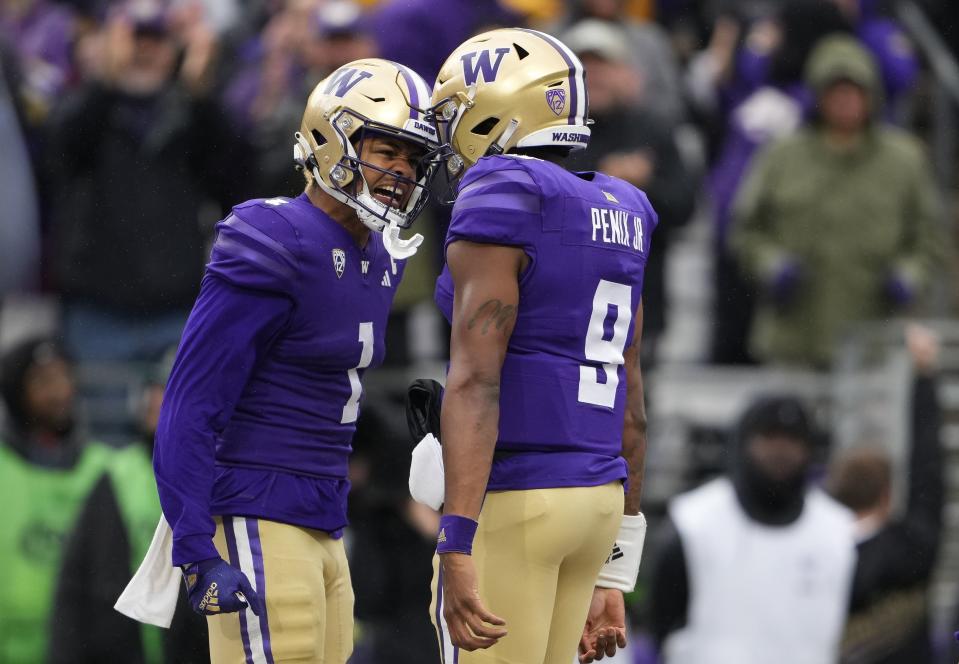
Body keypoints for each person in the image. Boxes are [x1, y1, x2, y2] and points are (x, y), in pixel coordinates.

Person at [152, 58, 440, 663]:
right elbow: (191, 400)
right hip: (258, 511)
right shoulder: (274, 237)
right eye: (387, 151)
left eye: (413, 161)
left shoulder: (383, 255)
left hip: (327, 519)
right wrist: (196, 548)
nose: (401, 174)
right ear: (331, 137)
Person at [427, 27, 656, 663]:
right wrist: (616, 566)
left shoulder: (504, 192)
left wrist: (455, 539)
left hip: (520, 494)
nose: (449, 135)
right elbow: (632, 401)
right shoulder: (624, 204)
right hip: (597, 499)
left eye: (457, 114)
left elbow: (477, 381)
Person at [730, 35, 942, 368]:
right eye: (834, 91)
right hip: (794, 338)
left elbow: (928, 238)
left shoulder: (904, 160)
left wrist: (908, 275)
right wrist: (771, 265)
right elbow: (745, 230)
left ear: (871, 96)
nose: (845, 101)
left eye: (854, 91)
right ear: (817, 97)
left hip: (875, 342)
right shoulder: (783, 155)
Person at [649, 395, 858, 664]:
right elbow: (662, 623)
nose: (780, 450)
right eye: (769, 436)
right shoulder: (694, 522)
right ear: (743, 442)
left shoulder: (839, 530)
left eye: (793, 439)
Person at [50, 352, 209, 664]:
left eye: (170, 387)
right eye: (155, 388)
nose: (156, 399)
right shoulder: (115, 476)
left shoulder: (220, 478)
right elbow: (75, 585)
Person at [828, 325, 944, 664]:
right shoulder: (913, 545)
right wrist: (925, 376)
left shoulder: (818, 553)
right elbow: (927, 465)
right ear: (887, 494)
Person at [0, 337, 113, 663]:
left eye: (65, 377)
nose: (60, 392)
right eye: (44, 381)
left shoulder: (106, 469)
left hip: (86, 651)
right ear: (16, 392)